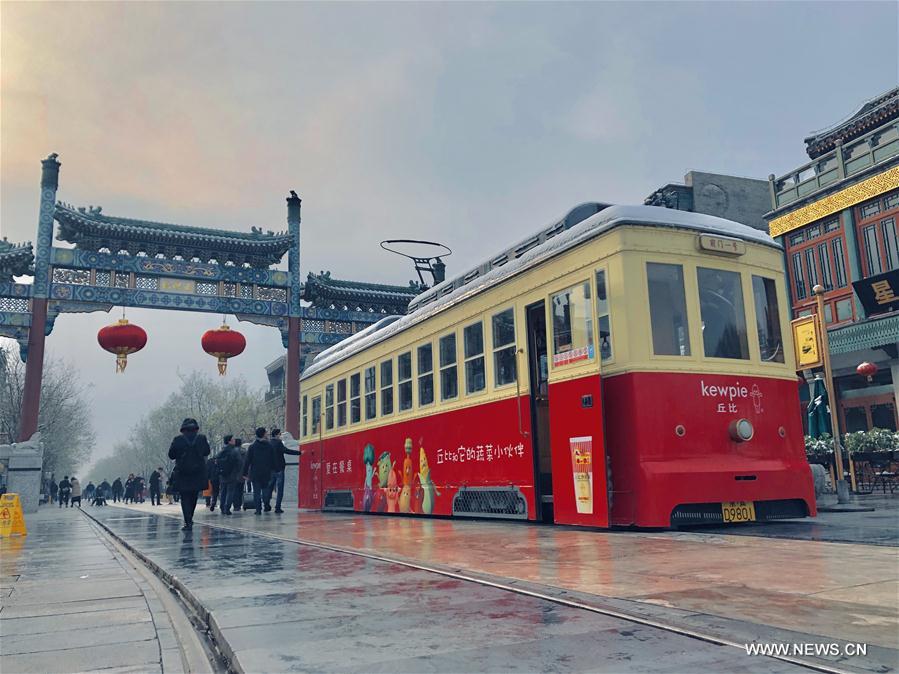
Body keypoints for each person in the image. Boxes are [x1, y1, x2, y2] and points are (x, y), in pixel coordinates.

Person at [168, 418, 210, 531]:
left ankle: (188, 521)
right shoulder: (201, 438)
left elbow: (171, 455)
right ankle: (190, 517)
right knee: (194, 495)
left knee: (185, 497)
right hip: (198, 472)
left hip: (183, 473)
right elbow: (207, 451)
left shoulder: (178, 439)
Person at [269, 428, 301, 514]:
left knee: (269, 488)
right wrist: (299, 453)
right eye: (279, 434)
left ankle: (266, 505)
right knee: (280, 489)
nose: (281, 436)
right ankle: (277, 507)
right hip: (279, 468)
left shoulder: (268, 443)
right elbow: (286, 451)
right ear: (276, 435)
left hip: (270, 469)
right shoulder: (279, 443)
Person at [244, 427, 275, 515]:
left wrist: (245, 472)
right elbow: (273, 459)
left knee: (256, 492)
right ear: (264, 434)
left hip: (255, 472)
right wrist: (274, 469)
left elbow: (247, 460)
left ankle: (258, 509)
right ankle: (266, 504)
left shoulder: (252, 446)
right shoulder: (269, 446)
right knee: (265, 490)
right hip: (266, 472)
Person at [216, 435, 241, 516]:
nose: (234, 441)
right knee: (230, 492)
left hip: (223, 474)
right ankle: (227, 508)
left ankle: (222, 507)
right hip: (232, 474)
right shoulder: (235, 451)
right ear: (229, 441)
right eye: (233, 440)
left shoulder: (222, 450)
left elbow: (216, 461)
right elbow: (239, 462)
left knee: (223, 491)